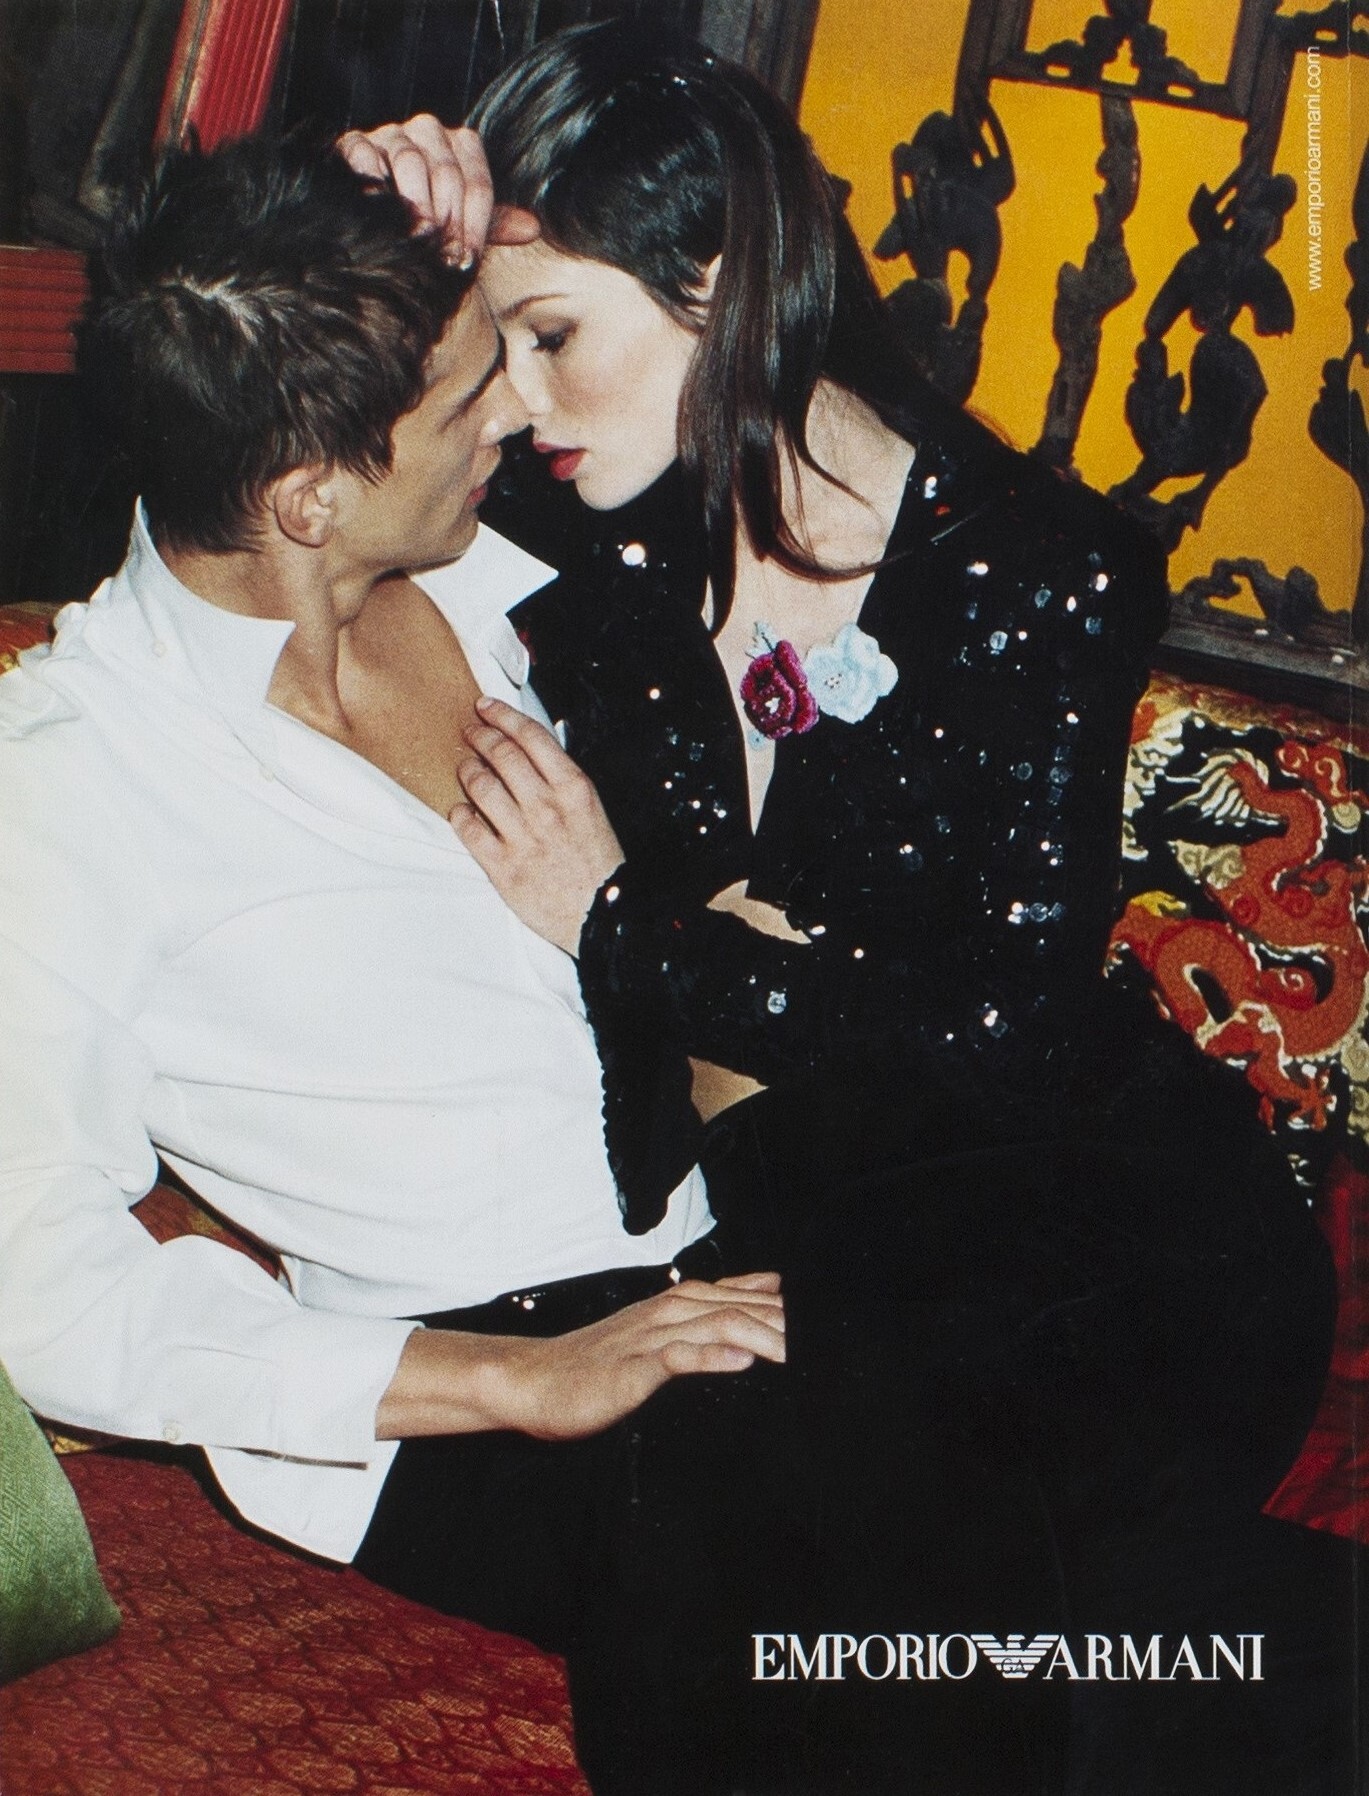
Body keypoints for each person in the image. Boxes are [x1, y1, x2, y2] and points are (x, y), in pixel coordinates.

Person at [345, 23, 1347, 1795]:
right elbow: (269, 452)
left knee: (762, 1521)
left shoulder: (1037, 566)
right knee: (667, 1530)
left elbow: (1001, 1030)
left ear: (720, 275)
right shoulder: (586, 527)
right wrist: (361, 204)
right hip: (806, 1230)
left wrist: (620, 928)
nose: (512, 402)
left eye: (552, 336)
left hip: (1097, 1230)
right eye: (496, 349)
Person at [0, 132, 792, 1795]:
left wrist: (457, 188)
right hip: (483, 1397)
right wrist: (521, 1380)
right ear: (307, 499)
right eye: (469, 393)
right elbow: (43, 1289)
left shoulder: (515, 578)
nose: (515, 407)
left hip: (756, 1251)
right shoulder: (69, 785)